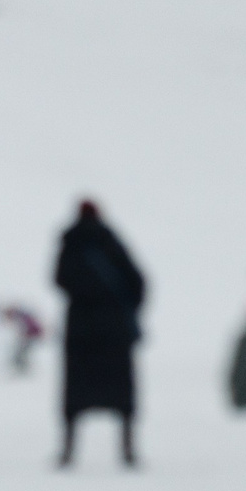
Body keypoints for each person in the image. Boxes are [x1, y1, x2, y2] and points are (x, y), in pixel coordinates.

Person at [52, 200, 147, 467]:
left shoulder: (70, 243)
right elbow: (138, 282)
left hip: (81, 334)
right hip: (114, 333)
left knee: (75, 400)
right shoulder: (111, 241)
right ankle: (127, 450)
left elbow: (58, 279)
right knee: (122, 399)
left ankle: (68, 452)